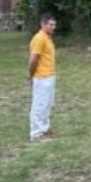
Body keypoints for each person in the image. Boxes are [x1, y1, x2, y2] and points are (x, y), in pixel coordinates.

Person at [28, 14, 57, 142]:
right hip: (41, 77)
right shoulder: (39, 38)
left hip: (49, 76)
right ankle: (36, 133)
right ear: (43, 24)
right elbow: (33, 59)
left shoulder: (47, 38)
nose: (53, 27)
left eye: (54, 25)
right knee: (39, 105)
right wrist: (31, 74)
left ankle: (44, 129)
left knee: (47, 105)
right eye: (50, 24)